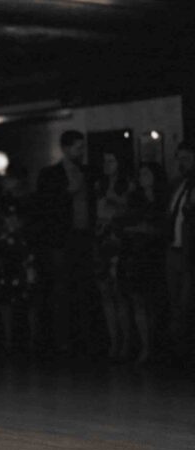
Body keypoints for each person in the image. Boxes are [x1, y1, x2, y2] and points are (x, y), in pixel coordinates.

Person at [36, 130, 94, 357]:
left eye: (82, 147)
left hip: (83, 237)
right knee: (62, 289)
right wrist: (67, 192)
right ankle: (62, 340)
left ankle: (83, 339)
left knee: (83, 288)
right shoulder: (50, 175)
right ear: (65, 148)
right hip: (62, 239)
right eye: (78, 147)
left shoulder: (87, 172)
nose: (81, 151)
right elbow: (45, 208)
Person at [0, 165, 39, 355]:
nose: (6, 182)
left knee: (28, 293)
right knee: (7, 294)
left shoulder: (30, 200)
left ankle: (31, 339)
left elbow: (34, 224)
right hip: (8, 251)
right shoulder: (2, 201)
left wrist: (18, 226)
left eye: (9, 178)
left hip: (24, 250)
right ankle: (11, 339)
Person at [121, 162, 167, 364]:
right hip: (138, 254)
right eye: (140, 173)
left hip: (157, 254)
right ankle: (145, 346)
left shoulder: (163, 199)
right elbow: (125, 225)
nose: (142, 176)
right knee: (139, 300)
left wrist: (147, 229)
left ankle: (156, 345)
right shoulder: (135, 200)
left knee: (155, 300)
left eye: (146, 173)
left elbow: (162, 227)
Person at [93, 152, 134, 360]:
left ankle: (126, 342)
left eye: (111, 160)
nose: (107, 164)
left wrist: (114, 200)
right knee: (105, 294)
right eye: (105, 161)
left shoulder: (127, 184)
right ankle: (113, 341)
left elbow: (129, 210)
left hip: (117, 239)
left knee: (119, 293)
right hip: (101, 238)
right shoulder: (99, 184)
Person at [163, 142, 194, 360]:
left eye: (186, 158)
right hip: (174, 249)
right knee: (175, 304)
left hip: (189, 251)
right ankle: (180, 353)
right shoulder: (179, 185)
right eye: (179, 158)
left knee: (186, 303)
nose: (181, 163)